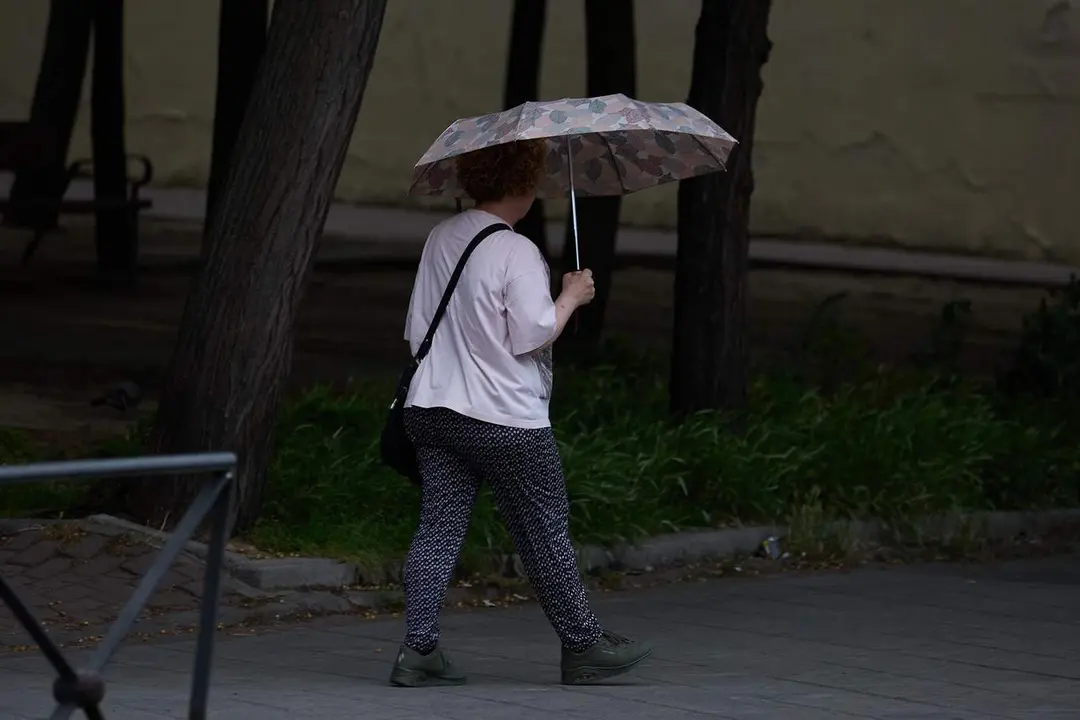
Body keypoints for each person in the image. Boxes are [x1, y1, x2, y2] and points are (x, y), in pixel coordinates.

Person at [389, 139, 652, 687]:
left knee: (438, 527)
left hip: (433, 409)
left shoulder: (442, 237)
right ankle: (582, 646)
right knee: (544, 531)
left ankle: (418, 650)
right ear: (524, 187)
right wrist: (572, 296)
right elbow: (531, 332)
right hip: (505, 419)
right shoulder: (517, 250)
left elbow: (416, 329)